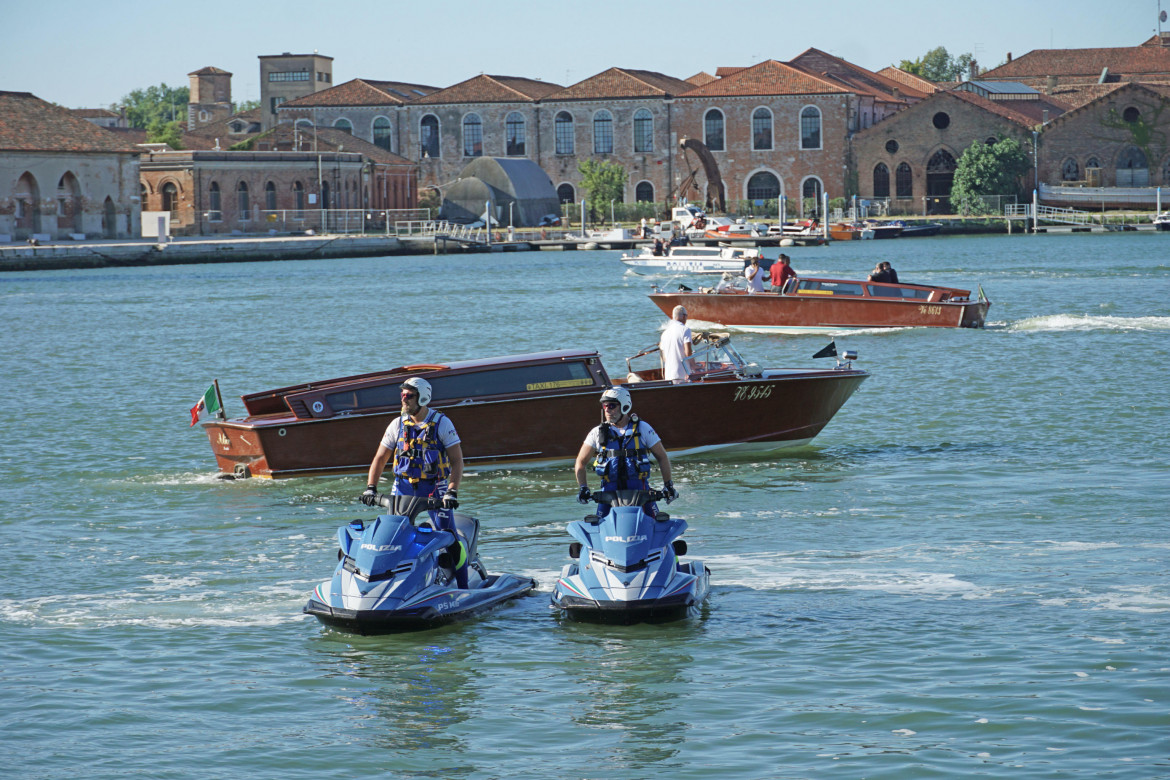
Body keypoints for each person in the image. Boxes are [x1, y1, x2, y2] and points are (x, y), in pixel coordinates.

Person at [360, 376, 468, 587]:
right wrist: (370, 488)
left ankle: (465, 588)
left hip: (435, 489)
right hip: (403, 487)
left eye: (408, 396)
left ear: (423, 398)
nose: (403, 400)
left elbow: (457, 462)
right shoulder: (397, 424)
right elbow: (380, 458)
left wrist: (451, 492)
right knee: (392, 540)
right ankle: (391, 587)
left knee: (451, 539)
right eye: (402, 395)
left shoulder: (442, 423)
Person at [574, 387, 676, 519]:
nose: (607, 410)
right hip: (608, 492)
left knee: (657, 522)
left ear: (625, 406)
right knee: (597, 524)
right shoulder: (597, 432)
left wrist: (668, 485)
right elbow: (580, 462)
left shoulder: (643, 428)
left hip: (641, 491)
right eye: (604, 406)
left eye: (611, 405)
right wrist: (583, 488)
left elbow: (662, 457)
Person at [659, 305, 693, 383]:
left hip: (669, 376)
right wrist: (694, 365)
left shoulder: (664, 333)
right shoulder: (686, 330)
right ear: (684, 316)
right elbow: (688, 353)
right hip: (683, 375)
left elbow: (664, 358)